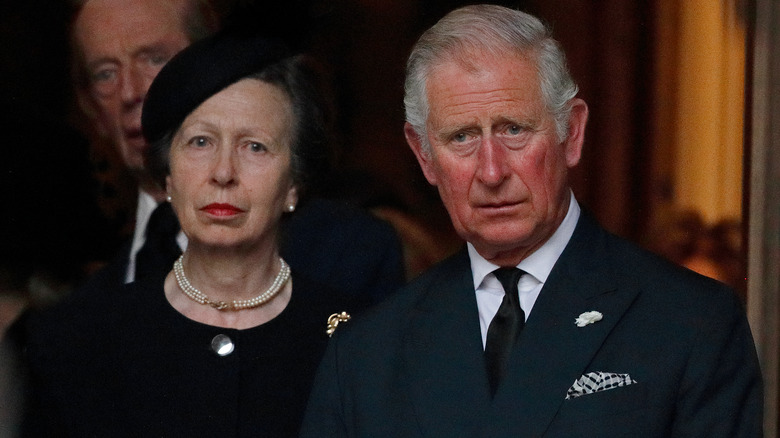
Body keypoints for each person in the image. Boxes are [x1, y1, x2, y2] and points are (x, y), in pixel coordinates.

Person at [301, 5, 763, 437]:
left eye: (514, 130)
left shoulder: (691, 323)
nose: (492, 171)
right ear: (424, 155)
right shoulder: (365, 355)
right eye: (461, 137)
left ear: (572, 133)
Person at [21, 32, 361, 436]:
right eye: (200, 142)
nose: (223, 172)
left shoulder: (358, 342)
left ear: (293, 185)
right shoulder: (77, 339)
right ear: (167, 176)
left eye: (254, 147)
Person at [69, 0, 404, 303]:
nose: (130, 92)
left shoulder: (345, 251)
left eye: (155, 59)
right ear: (88, 106)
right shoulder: (84, 309)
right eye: (105, 73)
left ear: (216, 63)